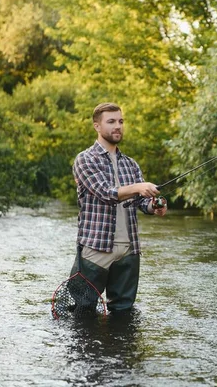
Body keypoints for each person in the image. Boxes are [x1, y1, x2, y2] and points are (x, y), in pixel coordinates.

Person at [70, 102, 167, 314]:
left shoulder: (131, 164)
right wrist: (139, 187)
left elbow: (141, 203)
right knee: (82, 313)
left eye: (121, 121)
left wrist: (154, 206)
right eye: (111, 121)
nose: (118, 126)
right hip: (96, 248)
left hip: (129, 249)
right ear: (97, 126)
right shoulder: (85, 159)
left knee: (124, 313)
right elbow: (106, 192)